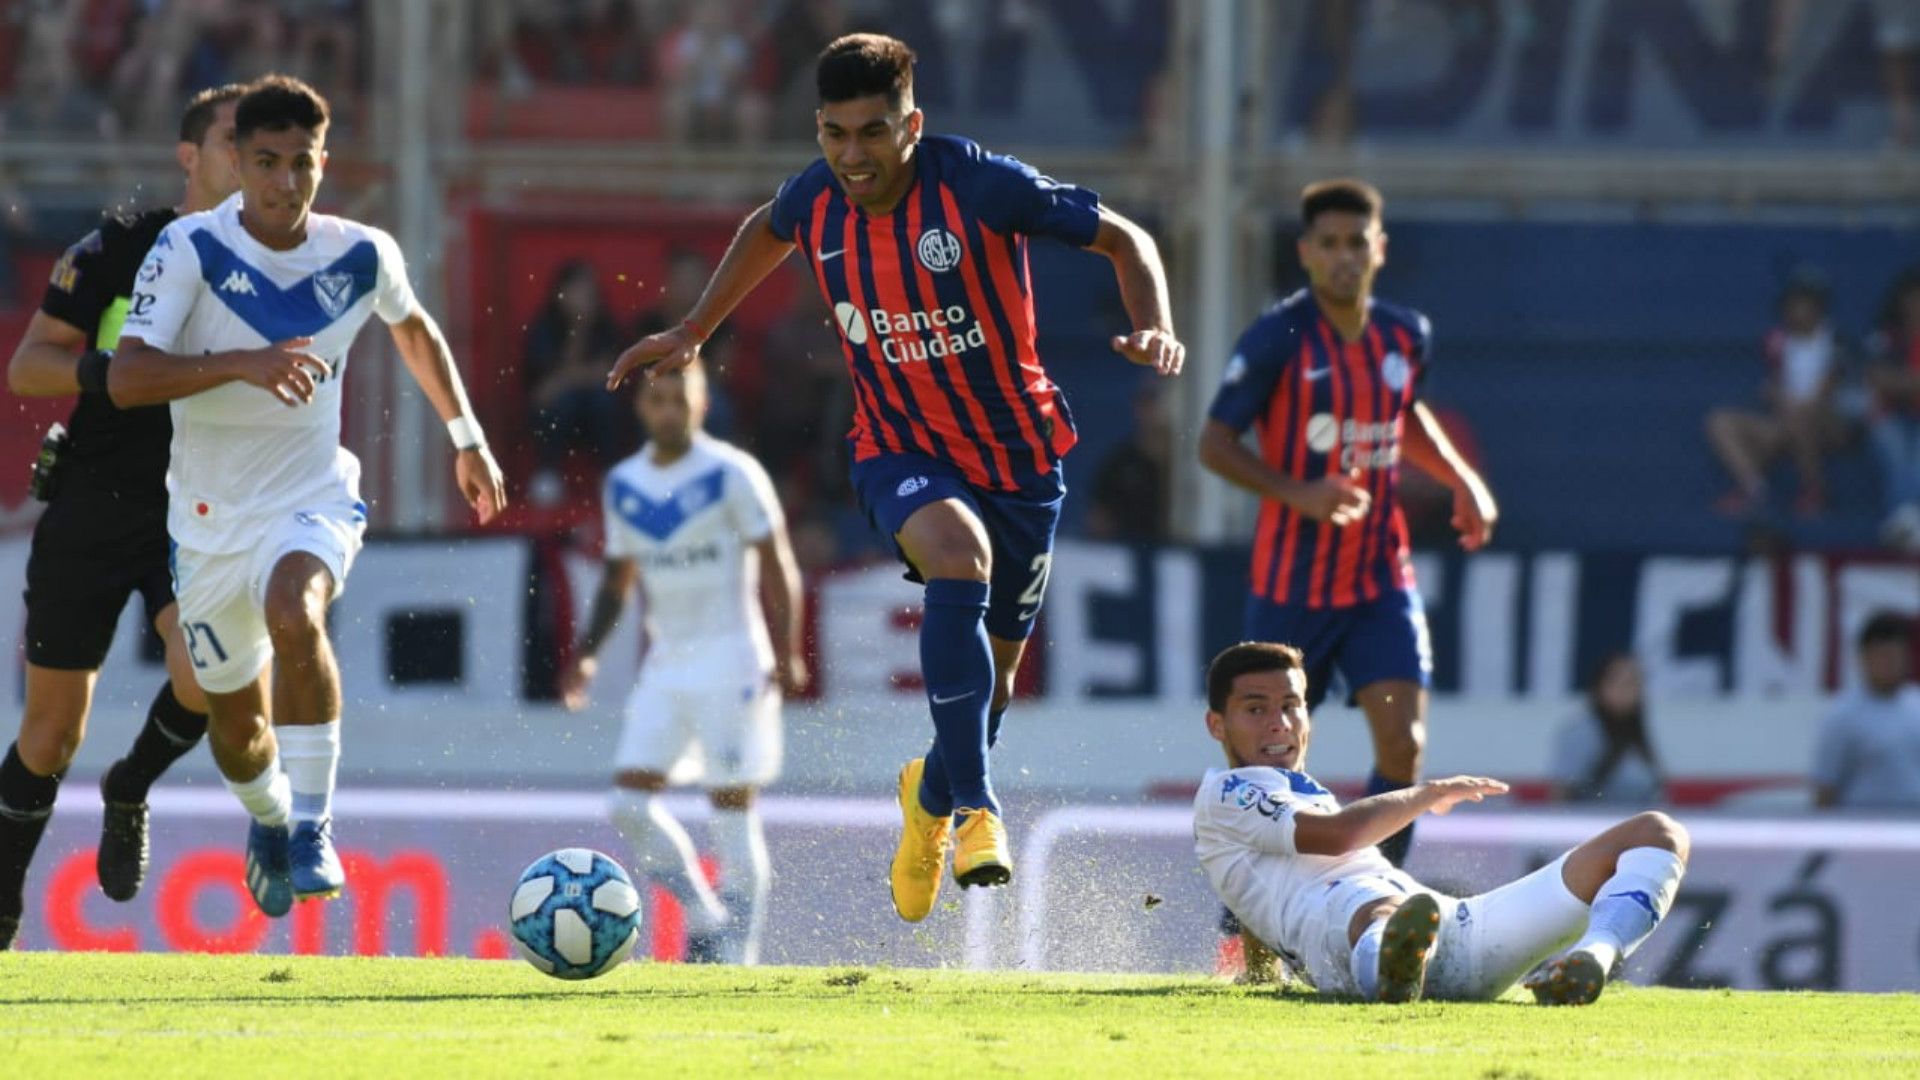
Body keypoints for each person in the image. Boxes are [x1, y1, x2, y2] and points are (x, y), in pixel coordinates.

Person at [606, 33, 1184, 922]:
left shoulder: (984, 186)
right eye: (834, 135)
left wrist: (1153, 324)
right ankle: (980, 812)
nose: (851, 155)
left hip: (1020, 461)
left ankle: (932, 799)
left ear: (912, 124)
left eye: (871, 133)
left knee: (982, 701)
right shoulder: (816, 198)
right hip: (898, 445)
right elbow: (766, 227)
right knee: (958, 558)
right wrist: (694, 330)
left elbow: (1126, 240)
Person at [109, 75, 507, 919]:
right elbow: (128, 375)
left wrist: (466, 437)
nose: (286, 184)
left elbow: (411, 325)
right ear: (237, 163)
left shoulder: (360, 251)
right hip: (210, 522)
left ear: (324, 161)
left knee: (297, 606)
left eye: (302, 163)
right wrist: (241, 363)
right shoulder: (190, 250)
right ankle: (271, 818)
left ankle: (314, 825)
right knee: (238, 730)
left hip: (312, 494)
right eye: (266, 163)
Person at [0, 84, 249, 952]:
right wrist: (121, 377)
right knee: (51, 728)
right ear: (190, 156)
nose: (250, 160)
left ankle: (131, 786)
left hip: (200, 510)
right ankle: (2, 896)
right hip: (96, 502)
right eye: (232, 141)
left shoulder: (278, 264)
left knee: (210, 679)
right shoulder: (118, 247)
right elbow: (29, 369)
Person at [1197, 178, 1495, 870]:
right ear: (1305, 253)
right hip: (1291, 588)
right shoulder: (1279, 337)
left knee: (1403, 744)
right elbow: (1214, 443)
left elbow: (1404, 412)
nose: (1343, 257)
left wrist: (1462, 480)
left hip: (1378, 582)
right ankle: (1245, 938)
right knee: (1265, 759)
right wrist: (1295, 492)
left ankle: (1375, 900)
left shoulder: (1404, 334)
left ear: (1379, 249)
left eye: (1356, 243)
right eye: (1328, 244)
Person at [1194, 641, 1691, 1005]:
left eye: (1291, 705)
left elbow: (1258, 887)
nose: (1280, 723)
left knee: (1657, 832)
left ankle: (1590, 959)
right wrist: (1426, 793)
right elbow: (1339, 835)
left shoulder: (1286, 795)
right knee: (1373, 902)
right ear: (1217, 724)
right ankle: (1388, 966)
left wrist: (1260, 976)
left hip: (1451, 928)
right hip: (1347, 932)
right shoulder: (1228, 791)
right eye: (1255, 709)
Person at [557, 358, 805, 964]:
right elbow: (620, 580)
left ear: (701, 404)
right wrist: (586, 656)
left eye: (681, 398)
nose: (670, 410)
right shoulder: (626, 484)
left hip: (734, 659)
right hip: (667, 664)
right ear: (642, 409)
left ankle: (737, 957)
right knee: (627, 803)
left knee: (731, 809)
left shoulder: (731, 474)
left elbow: (778, 563)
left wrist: (791, 650)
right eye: (658, 399)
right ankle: (704, 915)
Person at [1704, 275, 1848, 520]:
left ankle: (1815, 489)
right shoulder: (1778, 343)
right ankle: (1753, 490)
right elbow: (1772, 388)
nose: (1795, 311)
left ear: (1817, 308)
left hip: (1828, 424)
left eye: (1802, 304)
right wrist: (1775, 394)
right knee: (1719, 421)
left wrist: (1788, 405)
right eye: (1790, 305)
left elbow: (1826, 393)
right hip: (1786, 422)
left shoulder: (1834, 342)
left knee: (1800, 414)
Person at [1812, 611, 1920, 810]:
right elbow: (1825, 788)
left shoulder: (1916, 705)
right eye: (1882, 656)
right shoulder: (1843, 716)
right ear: (1863, 658)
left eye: (1895, 655)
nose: (1890, 664)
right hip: (1865, 834)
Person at [1548, 652, 1666, 806]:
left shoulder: (1638, 736)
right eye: (1619, 682)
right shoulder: (1580, 733)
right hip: (1590, 827)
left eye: (1633, 682)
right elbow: (1561, 796)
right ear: (1599, 686)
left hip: (1638, 826)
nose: (1627, 690)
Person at [1863, 269, 1920, 547]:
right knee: (1893, 442)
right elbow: (1874, 378)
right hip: (1890, 417)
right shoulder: (1886, 337)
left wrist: (1901, 382)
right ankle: (1907, 518)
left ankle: (1902, 520)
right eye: (1910, 299)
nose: (1915, 305)